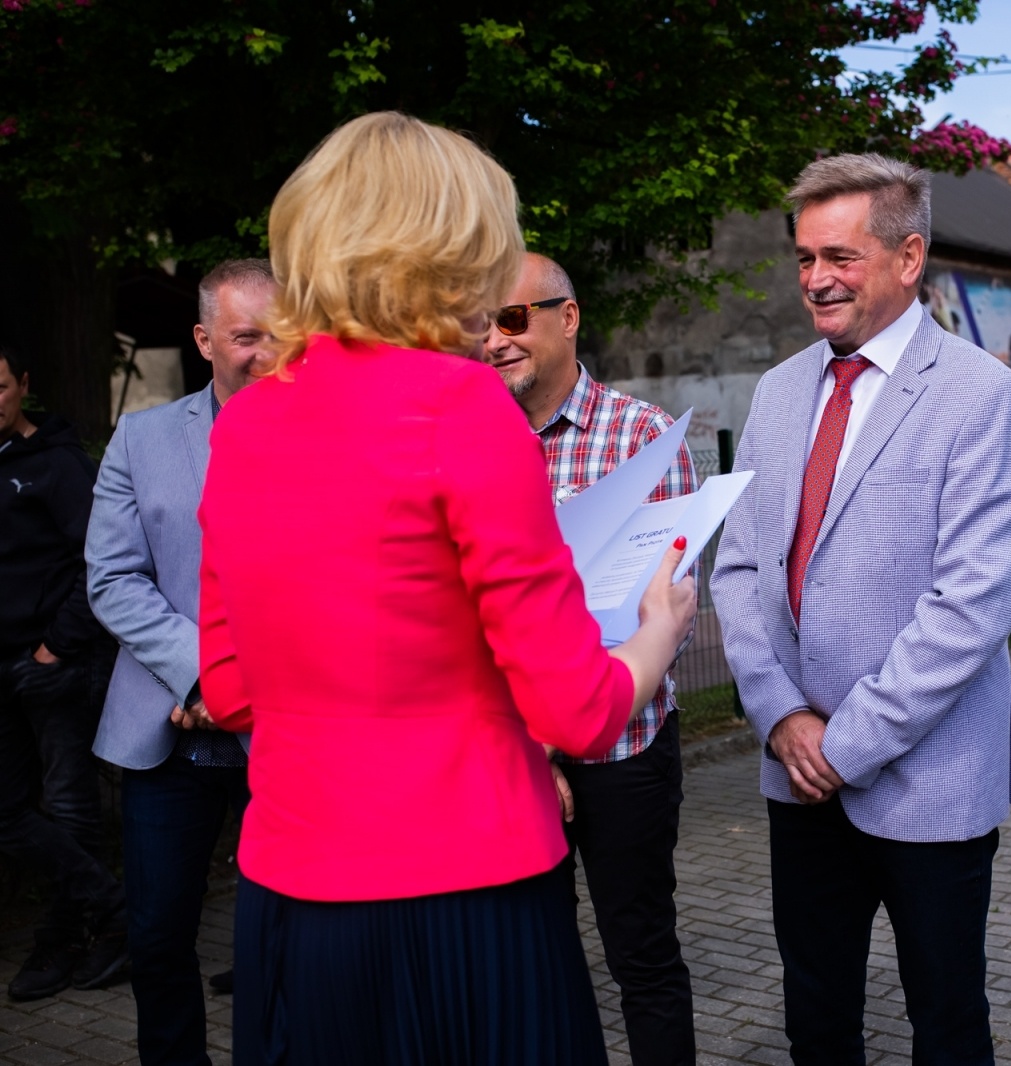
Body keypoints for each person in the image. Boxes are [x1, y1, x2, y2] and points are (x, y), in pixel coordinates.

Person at [195, 112, 697, 1066]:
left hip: (291, 891)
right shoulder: (462, 405)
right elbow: (580, 710)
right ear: (452, 250)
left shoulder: (248, 419)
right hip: (464, 890)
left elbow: (228, 685)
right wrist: (657, 633)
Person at [710, 153, 1011, 1066]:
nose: (817, 278)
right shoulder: (779, 392)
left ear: (908, 257)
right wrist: (781, 719)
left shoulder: (984, 396)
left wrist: (843, 745)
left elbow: (969, 608)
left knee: (945, 1020)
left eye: (841, 257)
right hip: (796, 772)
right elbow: (739, 569)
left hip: (928, 778)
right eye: (805, 257)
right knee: (815, 1014)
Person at [483, 251, 699, 1066]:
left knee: (641, 956)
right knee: (535, 963)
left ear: (566, 318)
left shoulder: (641, 435)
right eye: (482, 325)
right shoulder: (469, 444)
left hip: (623, 747)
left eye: (512, 319)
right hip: (511, 752)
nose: (495, 340)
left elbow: (669, 598)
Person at [86, 258, 275, 1064]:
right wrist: (203, 674)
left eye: (281, 334)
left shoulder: (324, 439)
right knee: (159, 937)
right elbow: (113, 578)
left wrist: (242, 688)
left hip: (281, 728)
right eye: (245, 337)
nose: (267, 353)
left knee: (280, 941)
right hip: (166, 732)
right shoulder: (142, 437)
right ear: (203, 340)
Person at [0, 344, 126, 1002]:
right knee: (10, 813)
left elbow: (98, 559)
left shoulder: (56, 464)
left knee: (72, 806)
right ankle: (112, 911)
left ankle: (65, 940)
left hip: (53, 666)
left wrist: (57, 647)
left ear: (23, 385)